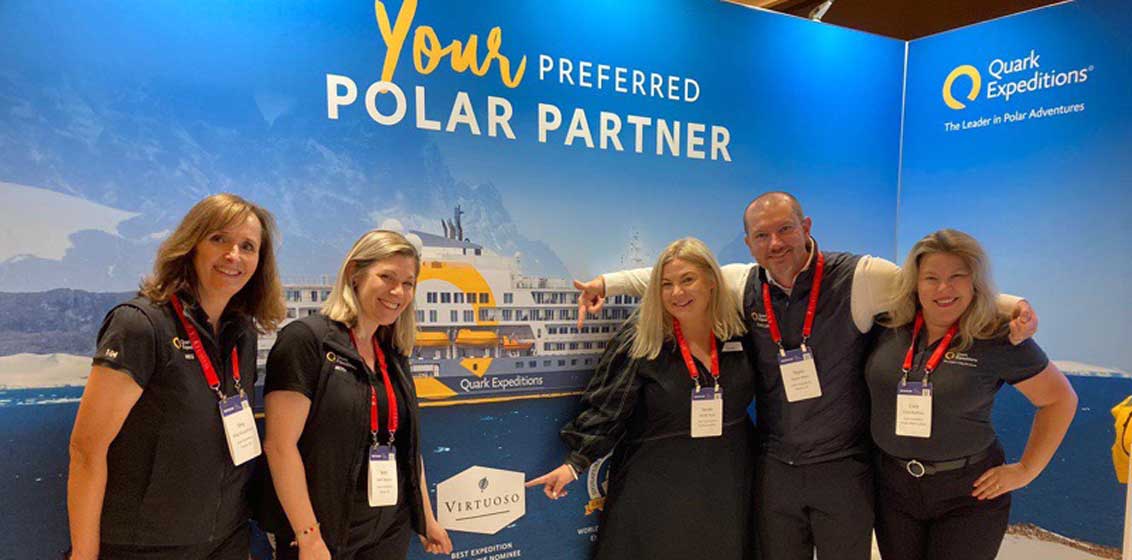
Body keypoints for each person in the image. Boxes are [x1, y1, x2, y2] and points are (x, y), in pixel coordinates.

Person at [574, 192, 1038, 560]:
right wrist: (605, 284)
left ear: (806, 227)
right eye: (762, 235)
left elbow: (931, 283)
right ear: (749, 243)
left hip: (843, 468)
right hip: (776, 468)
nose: (775, 243)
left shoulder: (860, 276)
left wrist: (1010, 305)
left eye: (785, 229)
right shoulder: (742, 282)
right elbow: (674, 276)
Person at [67, 193, 286, 559]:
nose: (233, 255)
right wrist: (84, 553)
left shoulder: (242, 334)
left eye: (247, 246)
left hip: (227, 539)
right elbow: (86, 450)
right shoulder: (140, 325)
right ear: (192, 245)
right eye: (219, 239)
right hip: (145, 546)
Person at [527, 238, 755, 560]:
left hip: (728, 479)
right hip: (657, 486)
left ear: (712, 281)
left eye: (688, 280)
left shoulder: (739, 332)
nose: (677, 292)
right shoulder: (642, 340)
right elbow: (609, 408)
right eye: (666, 284)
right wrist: (575, 464)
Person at [865, 229, 1076, 560]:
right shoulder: (885, 325)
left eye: (957, 277)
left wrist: (1025, 470)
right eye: (931, 278)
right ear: (915, 282)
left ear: (974, 281)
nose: (943, 288)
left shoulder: (998, 336)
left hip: (968, 495)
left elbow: (1059, 400)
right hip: (892, 492)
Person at [258, 229, 452, 559]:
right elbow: (279, 446)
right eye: (387, 277)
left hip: (388, 530)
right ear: (354, 274)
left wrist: (427, 518)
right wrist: (308, 536)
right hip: (323, 533)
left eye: (408, 283)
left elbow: (407, 445)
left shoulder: (392, 352)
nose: (398, 292)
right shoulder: (306, 340)